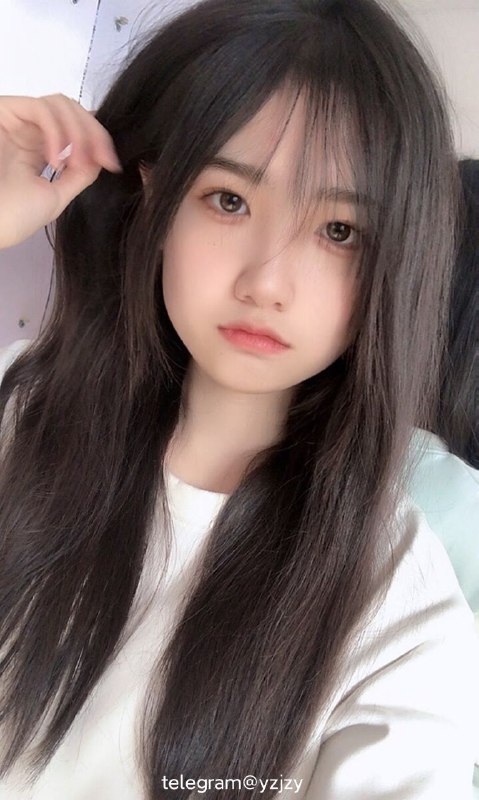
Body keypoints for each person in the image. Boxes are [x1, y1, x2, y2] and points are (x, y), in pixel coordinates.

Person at [0, 1, 478, 798]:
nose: (267, 282)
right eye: (229, 200)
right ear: (154, 197)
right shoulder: (18, 414)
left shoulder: (395, 602)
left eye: (338, 231)